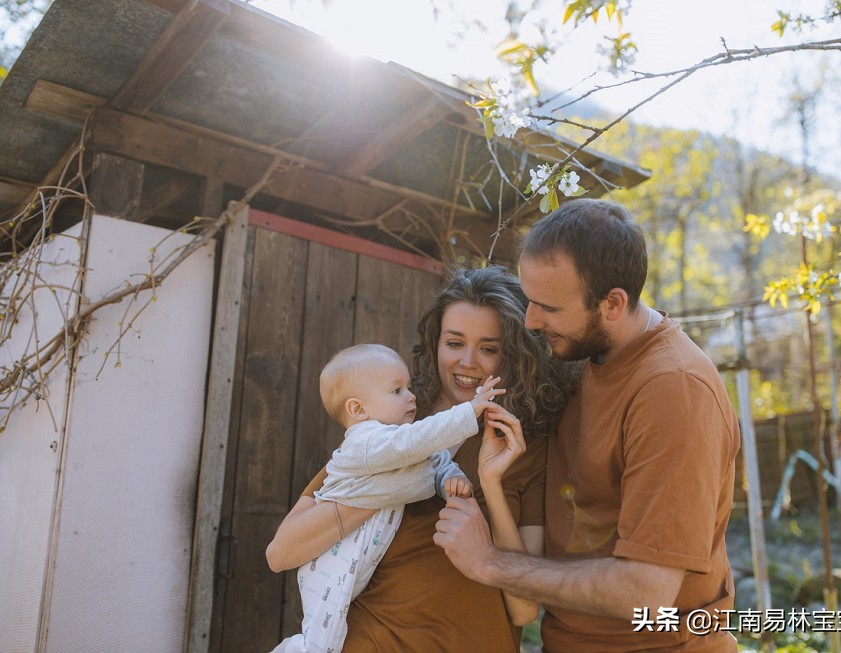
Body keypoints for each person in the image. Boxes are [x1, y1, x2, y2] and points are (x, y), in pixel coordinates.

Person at [434, 198, 741, 652]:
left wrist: (489, 562)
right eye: (530, 300)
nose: (531, 321)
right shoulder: (580, 358)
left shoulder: (674, 390)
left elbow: (646, 591)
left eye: (549, 307)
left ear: (612, 303)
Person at [266, 266, 575, 652]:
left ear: (512, 354)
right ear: (436, 343)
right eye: (455, 343)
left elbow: (525, 611)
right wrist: (393, 486)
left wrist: (490, 495)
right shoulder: (393, 425)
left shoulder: (524, 447)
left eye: (488, 348)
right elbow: (280, 553)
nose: (467, 362)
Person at [272, 343, 503, 653]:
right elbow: (417, 441)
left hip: (362, 558)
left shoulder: (398, 441)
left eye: (408, 387)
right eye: (396, 391)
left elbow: (433, 459)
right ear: (358, 410)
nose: (410, 396)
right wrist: (470, 410)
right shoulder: (366, 442)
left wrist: (451, 478)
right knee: (320, 640)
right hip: (334, 556)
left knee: (333, 634)